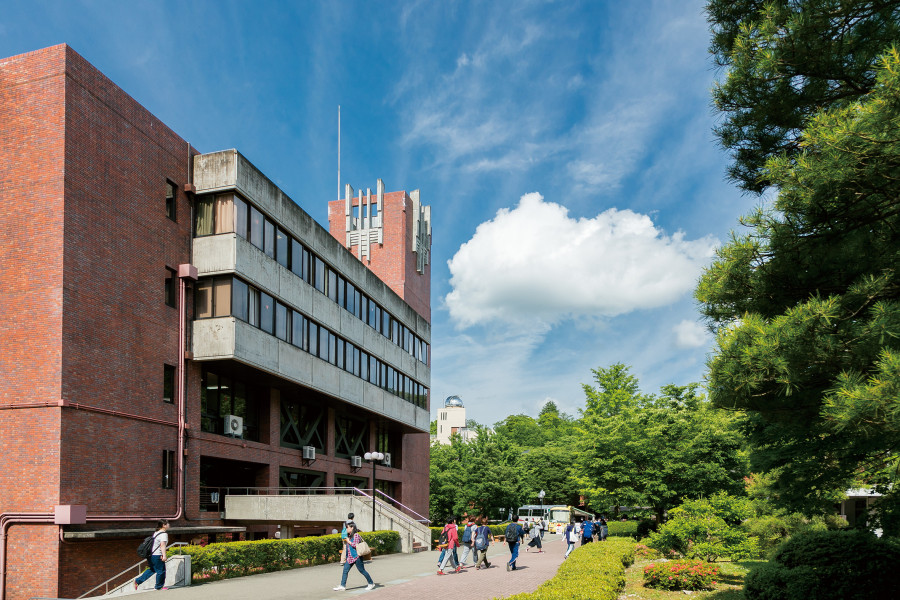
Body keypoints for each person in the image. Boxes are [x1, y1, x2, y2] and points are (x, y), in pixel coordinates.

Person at [333, 522, 375, 591]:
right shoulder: (349, 536)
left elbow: (355, 545)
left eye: (347, 527)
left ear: (352, 528)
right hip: (350, 557)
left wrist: (348, 541)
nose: (346, 529)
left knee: (362, 570)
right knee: (345, 570)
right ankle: (342, 585)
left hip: (357, 557)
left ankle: (371, 583)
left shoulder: (356, 535)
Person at [134, 520, 169, 591]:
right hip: (157, 555)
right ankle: (158, 586)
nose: (169, 525)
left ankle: (137, 581)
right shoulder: (163, 534)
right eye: (167, 524)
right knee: (161, 571)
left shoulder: (156, 533)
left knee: (152, 569)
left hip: (151, 555)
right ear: (163, 525)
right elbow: (162, 545)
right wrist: (164, 555)